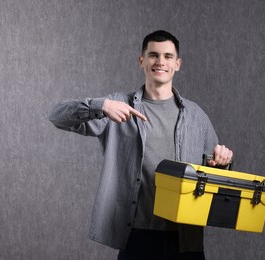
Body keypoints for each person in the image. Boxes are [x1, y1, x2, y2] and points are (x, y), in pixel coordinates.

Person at [49, 30, 233, 260]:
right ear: (141, 60)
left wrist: (222, 163)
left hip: (186, 240)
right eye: (153, 55)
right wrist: (101, 105)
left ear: (177, 64)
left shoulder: (197, 116)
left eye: (167, 56)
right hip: (136, 238)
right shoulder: (116, 105)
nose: (160, 62)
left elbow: (214, 179)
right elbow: (56, 116)